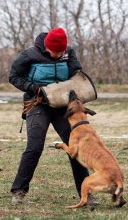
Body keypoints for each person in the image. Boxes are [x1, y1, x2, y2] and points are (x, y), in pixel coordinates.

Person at [8, 27, 96, 205]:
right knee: (35, 146)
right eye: (54, 51)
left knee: (75, 147)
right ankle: (19, 192)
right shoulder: (30, 55)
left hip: (62, 105)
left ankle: (86, 195)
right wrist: (33, 87)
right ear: (46, 47)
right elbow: (14, 76)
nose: (57, 54)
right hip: (37, 104)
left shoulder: (69, 53)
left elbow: (76, 75)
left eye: (61, 51)